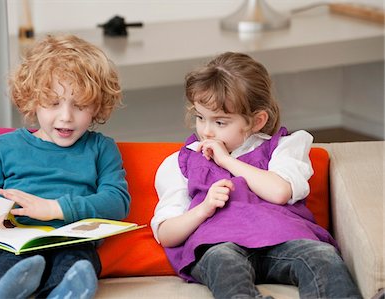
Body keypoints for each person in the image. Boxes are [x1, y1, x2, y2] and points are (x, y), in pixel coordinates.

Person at [151, 52, 362, 299]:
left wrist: (227, 161)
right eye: (200, 118)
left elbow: (280, 192)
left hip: (284, 238)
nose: (206, 131)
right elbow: (166, 234)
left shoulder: (284, 147)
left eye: (220, 123)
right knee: (223, 261)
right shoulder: (181, 162)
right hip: (220, 244)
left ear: (257, 120)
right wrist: (203, 209)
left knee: (323, 257)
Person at [0, 34, 130, 299]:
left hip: (70, 240)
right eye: (54, 103)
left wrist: (54, 209)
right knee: (8, 263)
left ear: (97, 106)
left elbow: (117, 201)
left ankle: (64, 293)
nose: (66, 117)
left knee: (77, 264)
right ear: (33, 100)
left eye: (80, 105)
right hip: (14, 242)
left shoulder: (101, 148)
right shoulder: (4, 148)